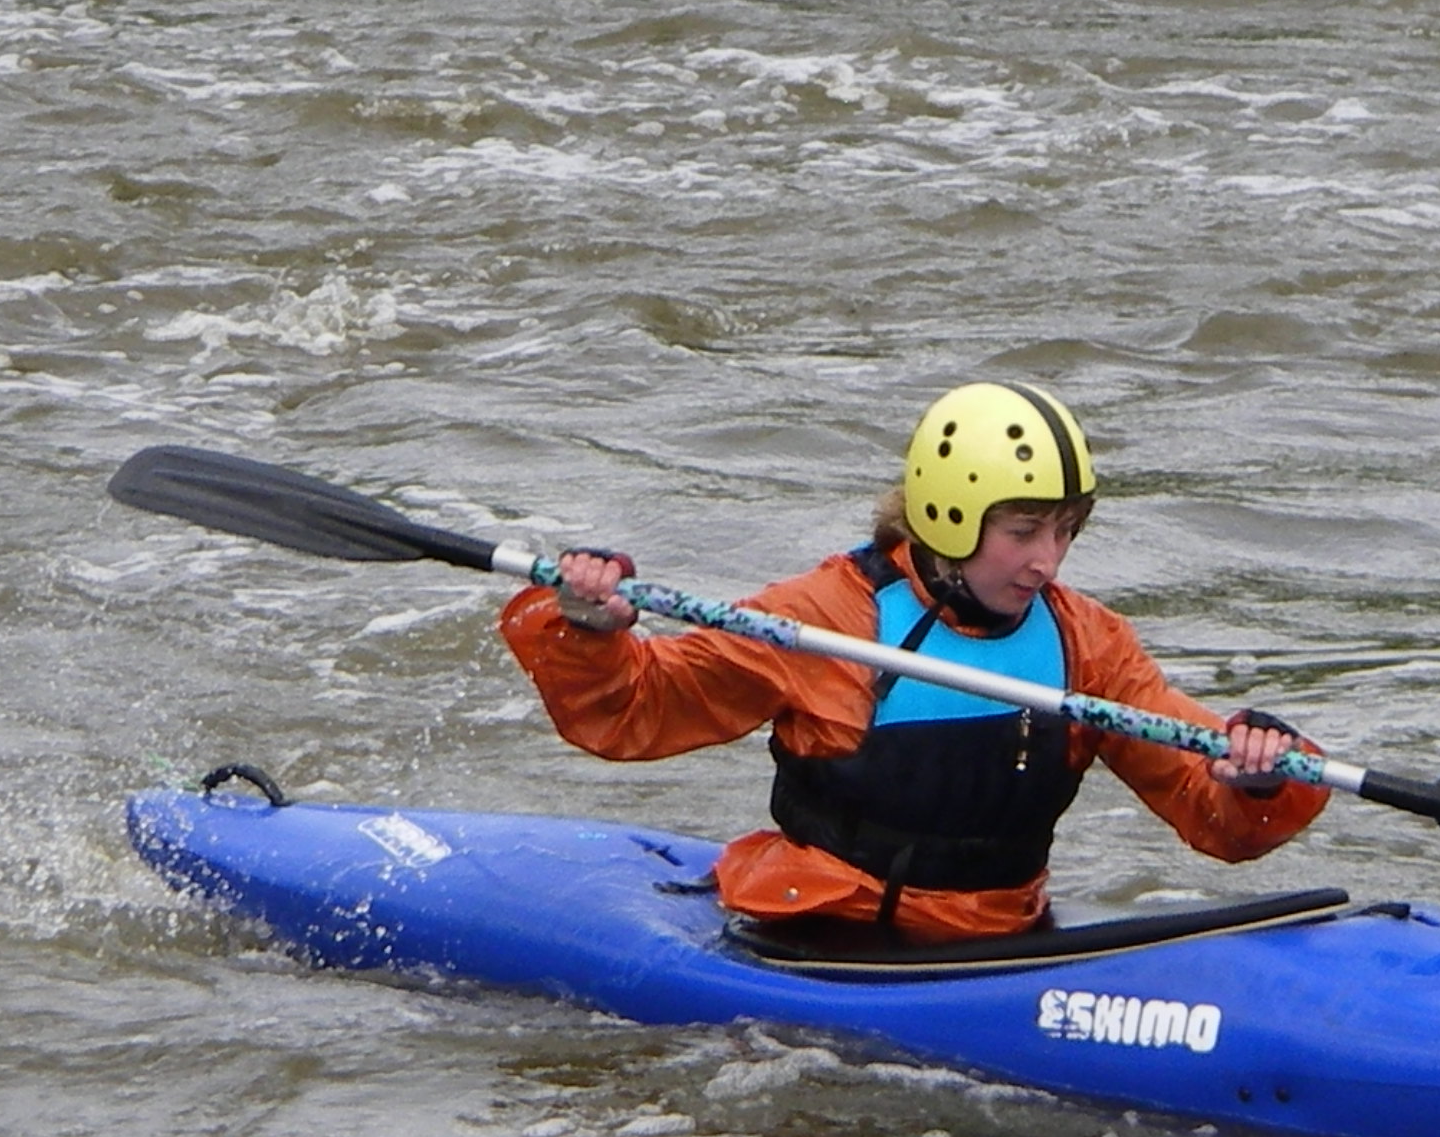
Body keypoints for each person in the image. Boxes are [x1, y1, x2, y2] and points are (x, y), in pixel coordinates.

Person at [498, 382, 1331, 943]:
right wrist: (588, 629)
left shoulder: (1087, 644)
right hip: (815, 929)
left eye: (1066, 531)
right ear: (948, 513)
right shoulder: (826, 619)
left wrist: (1255, 778)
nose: (1048, 560)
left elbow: (1207, 806)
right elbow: (635, 711)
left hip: (997, 938)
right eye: (1023, 531)